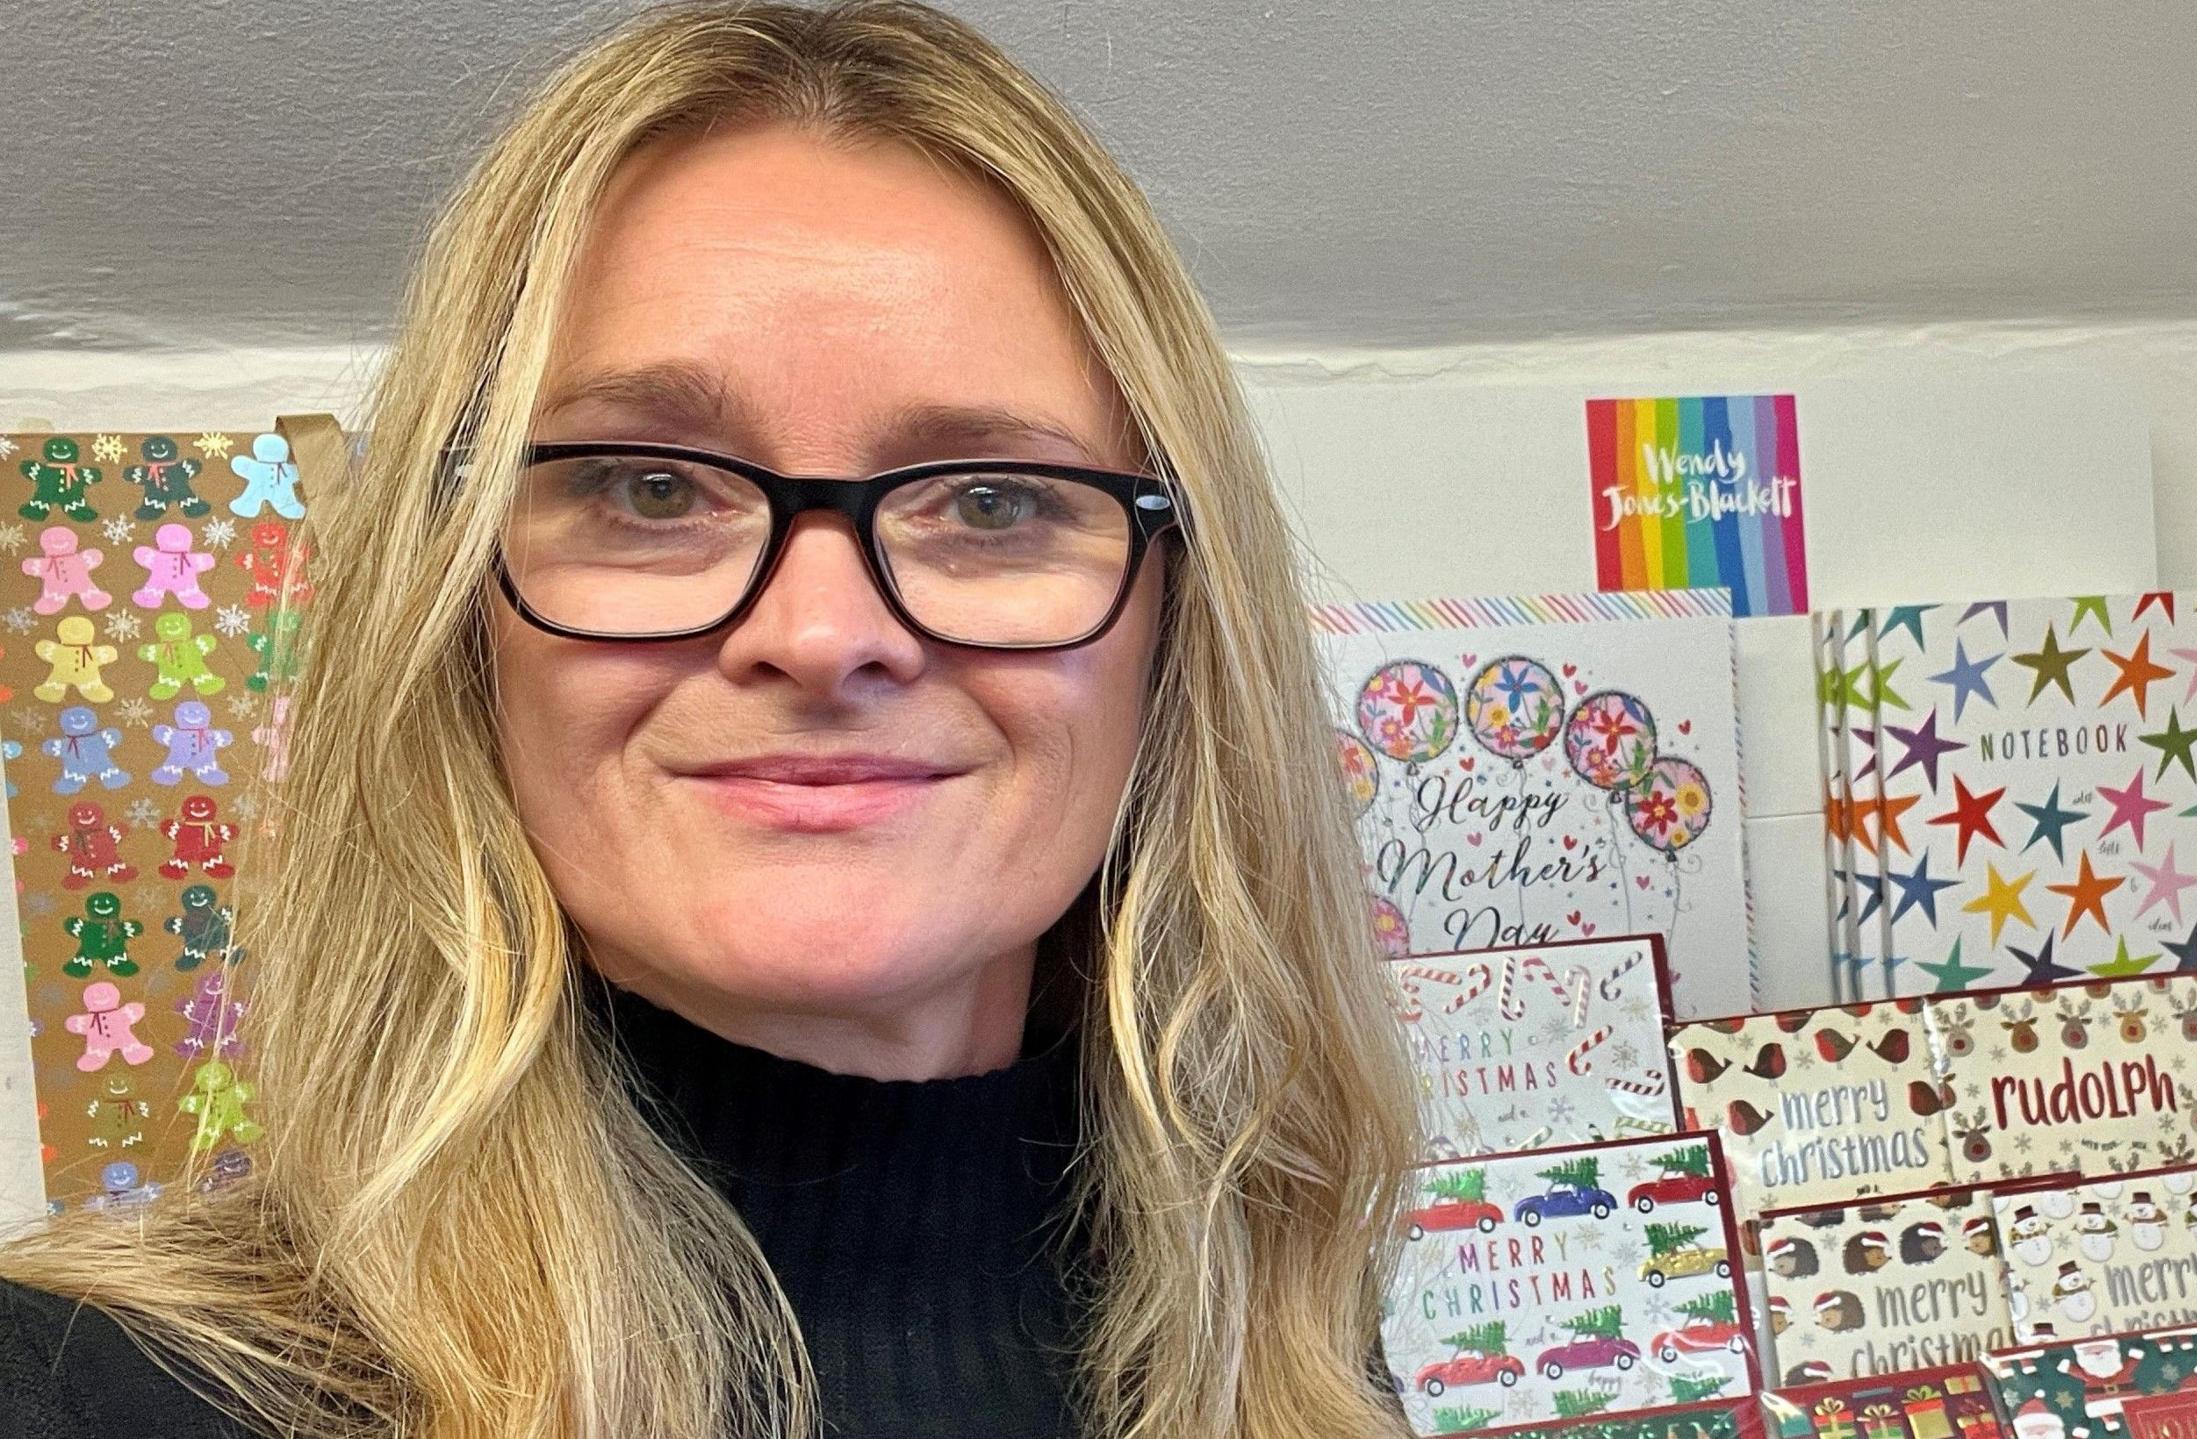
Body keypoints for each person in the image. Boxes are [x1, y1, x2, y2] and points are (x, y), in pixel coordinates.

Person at [0, 4, 1422, 1436]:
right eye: (649, 490)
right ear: (452, 619)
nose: (819, 636)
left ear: (1175, 630)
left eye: (991, 502)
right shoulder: (84, 1391)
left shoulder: (1295, 1362)